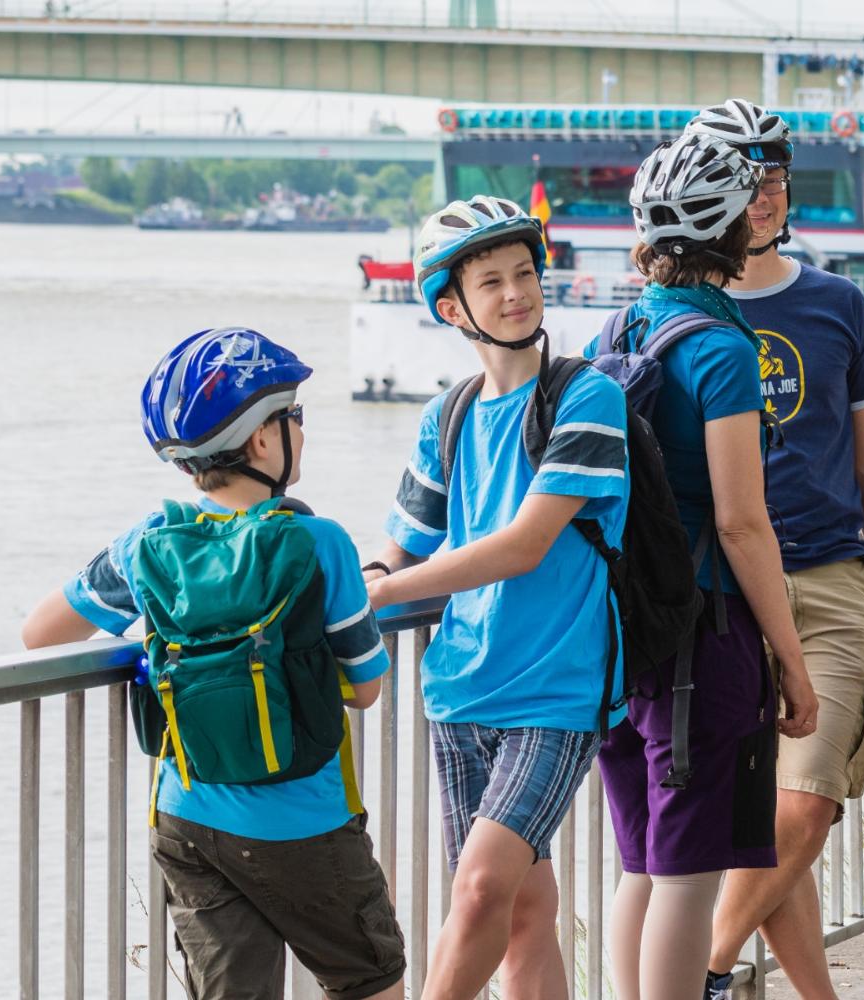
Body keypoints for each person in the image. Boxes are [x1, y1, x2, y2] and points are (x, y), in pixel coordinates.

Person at [19, 328, 404, 1000]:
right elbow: (367, 687)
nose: (302, 433)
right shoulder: (318, 542)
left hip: (186, 817)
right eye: (296, 417)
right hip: (301, 821)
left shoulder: (148, 543)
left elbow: (41, 633)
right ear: (262, 438)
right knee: (371, 981)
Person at [367, 194, 633, 1000]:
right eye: (492, 282)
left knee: (480, 889)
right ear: (452, 306)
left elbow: (523, 545)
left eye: (525, 274)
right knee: (522, 910)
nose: (517, 293)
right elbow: (396, 554)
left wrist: (373, 597)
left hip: (559, 690)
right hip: (459, 691)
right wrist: (359, 584)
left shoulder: (586, 398)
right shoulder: (445, 416)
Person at [674, 99, 864, 1000]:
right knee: (767, 824)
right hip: (721, 596)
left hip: (829, 577)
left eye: (772, 177)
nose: (761, 196)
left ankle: (703, 971)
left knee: (805, 805)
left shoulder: (836, 304)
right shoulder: (677, 313)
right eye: (742, 180)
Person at [586, 132, 818, 1000]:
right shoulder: (723, 351)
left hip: (623, 641)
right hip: (705, 639)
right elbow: (741, 523)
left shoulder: (616, 327)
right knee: (688, 872)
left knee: (640, 862)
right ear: (731, 234)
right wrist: (791, 662)